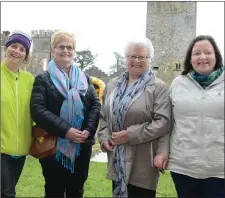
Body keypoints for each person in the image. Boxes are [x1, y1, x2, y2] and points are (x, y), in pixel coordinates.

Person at [97, 38, 172, 198]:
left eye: (141, 57)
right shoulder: (112, 85)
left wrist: (129, 135)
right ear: (126, 58)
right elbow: (104, 116)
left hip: (143, 158)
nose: (136, 61)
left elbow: (163, 122)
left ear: (150, 60)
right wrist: (104, 138)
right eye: (132, 56)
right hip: (117, 158)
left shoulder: (159, 87)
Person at [30, 30, 101, 198]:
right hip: (54, 146)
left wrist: (89, 130)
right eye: (61, 46)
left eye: (70, 47)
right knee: (54, 191)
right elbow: (38, 109)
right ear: (53, 49)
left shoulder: (84, 78)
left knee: (76, 191)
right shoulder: (43, 79)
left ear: (74, 51)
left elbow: (95, 105)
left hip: (81, 147)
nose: (65, 51)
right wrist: (66, 131)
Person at [154, 35, 224, 198]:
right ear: (190, 59)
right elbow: (168, 122)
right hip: (183, 165)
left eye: (208, 52)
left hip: (219, 168)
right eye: (197, 53)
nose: (202, 57)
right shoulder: (178, 84)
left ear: (216, 56)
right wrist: (162, 151)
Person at [1, 30, 34, 197]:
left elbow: (35, 111)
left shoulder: (30, 80)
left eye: (22, 49)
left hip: (21, 150)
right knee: (8, 194)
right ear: (6, 48)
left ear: (26, 55)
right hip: (1, 150)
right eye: (13, 46)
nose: (17, 51)